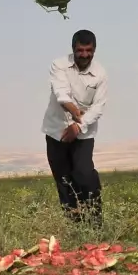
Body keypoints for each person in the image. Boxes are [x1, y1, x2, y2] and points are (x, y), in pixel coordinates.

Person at [42, 29, 108, 226]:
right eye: (80, 50)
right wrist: (75, 113)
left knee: (85, 175)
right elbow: (62, 94)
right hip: (56, 132)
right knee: (64, 182)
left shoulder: (100, 73)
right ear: (73, 49)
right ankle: (75, 226)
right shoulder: (59, 65)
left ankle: (96, 222)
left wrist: (78, 126)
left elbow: (99, 106)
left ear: (94, 50)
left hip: (84, 133)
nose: (85, 55)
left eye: (89, 50)